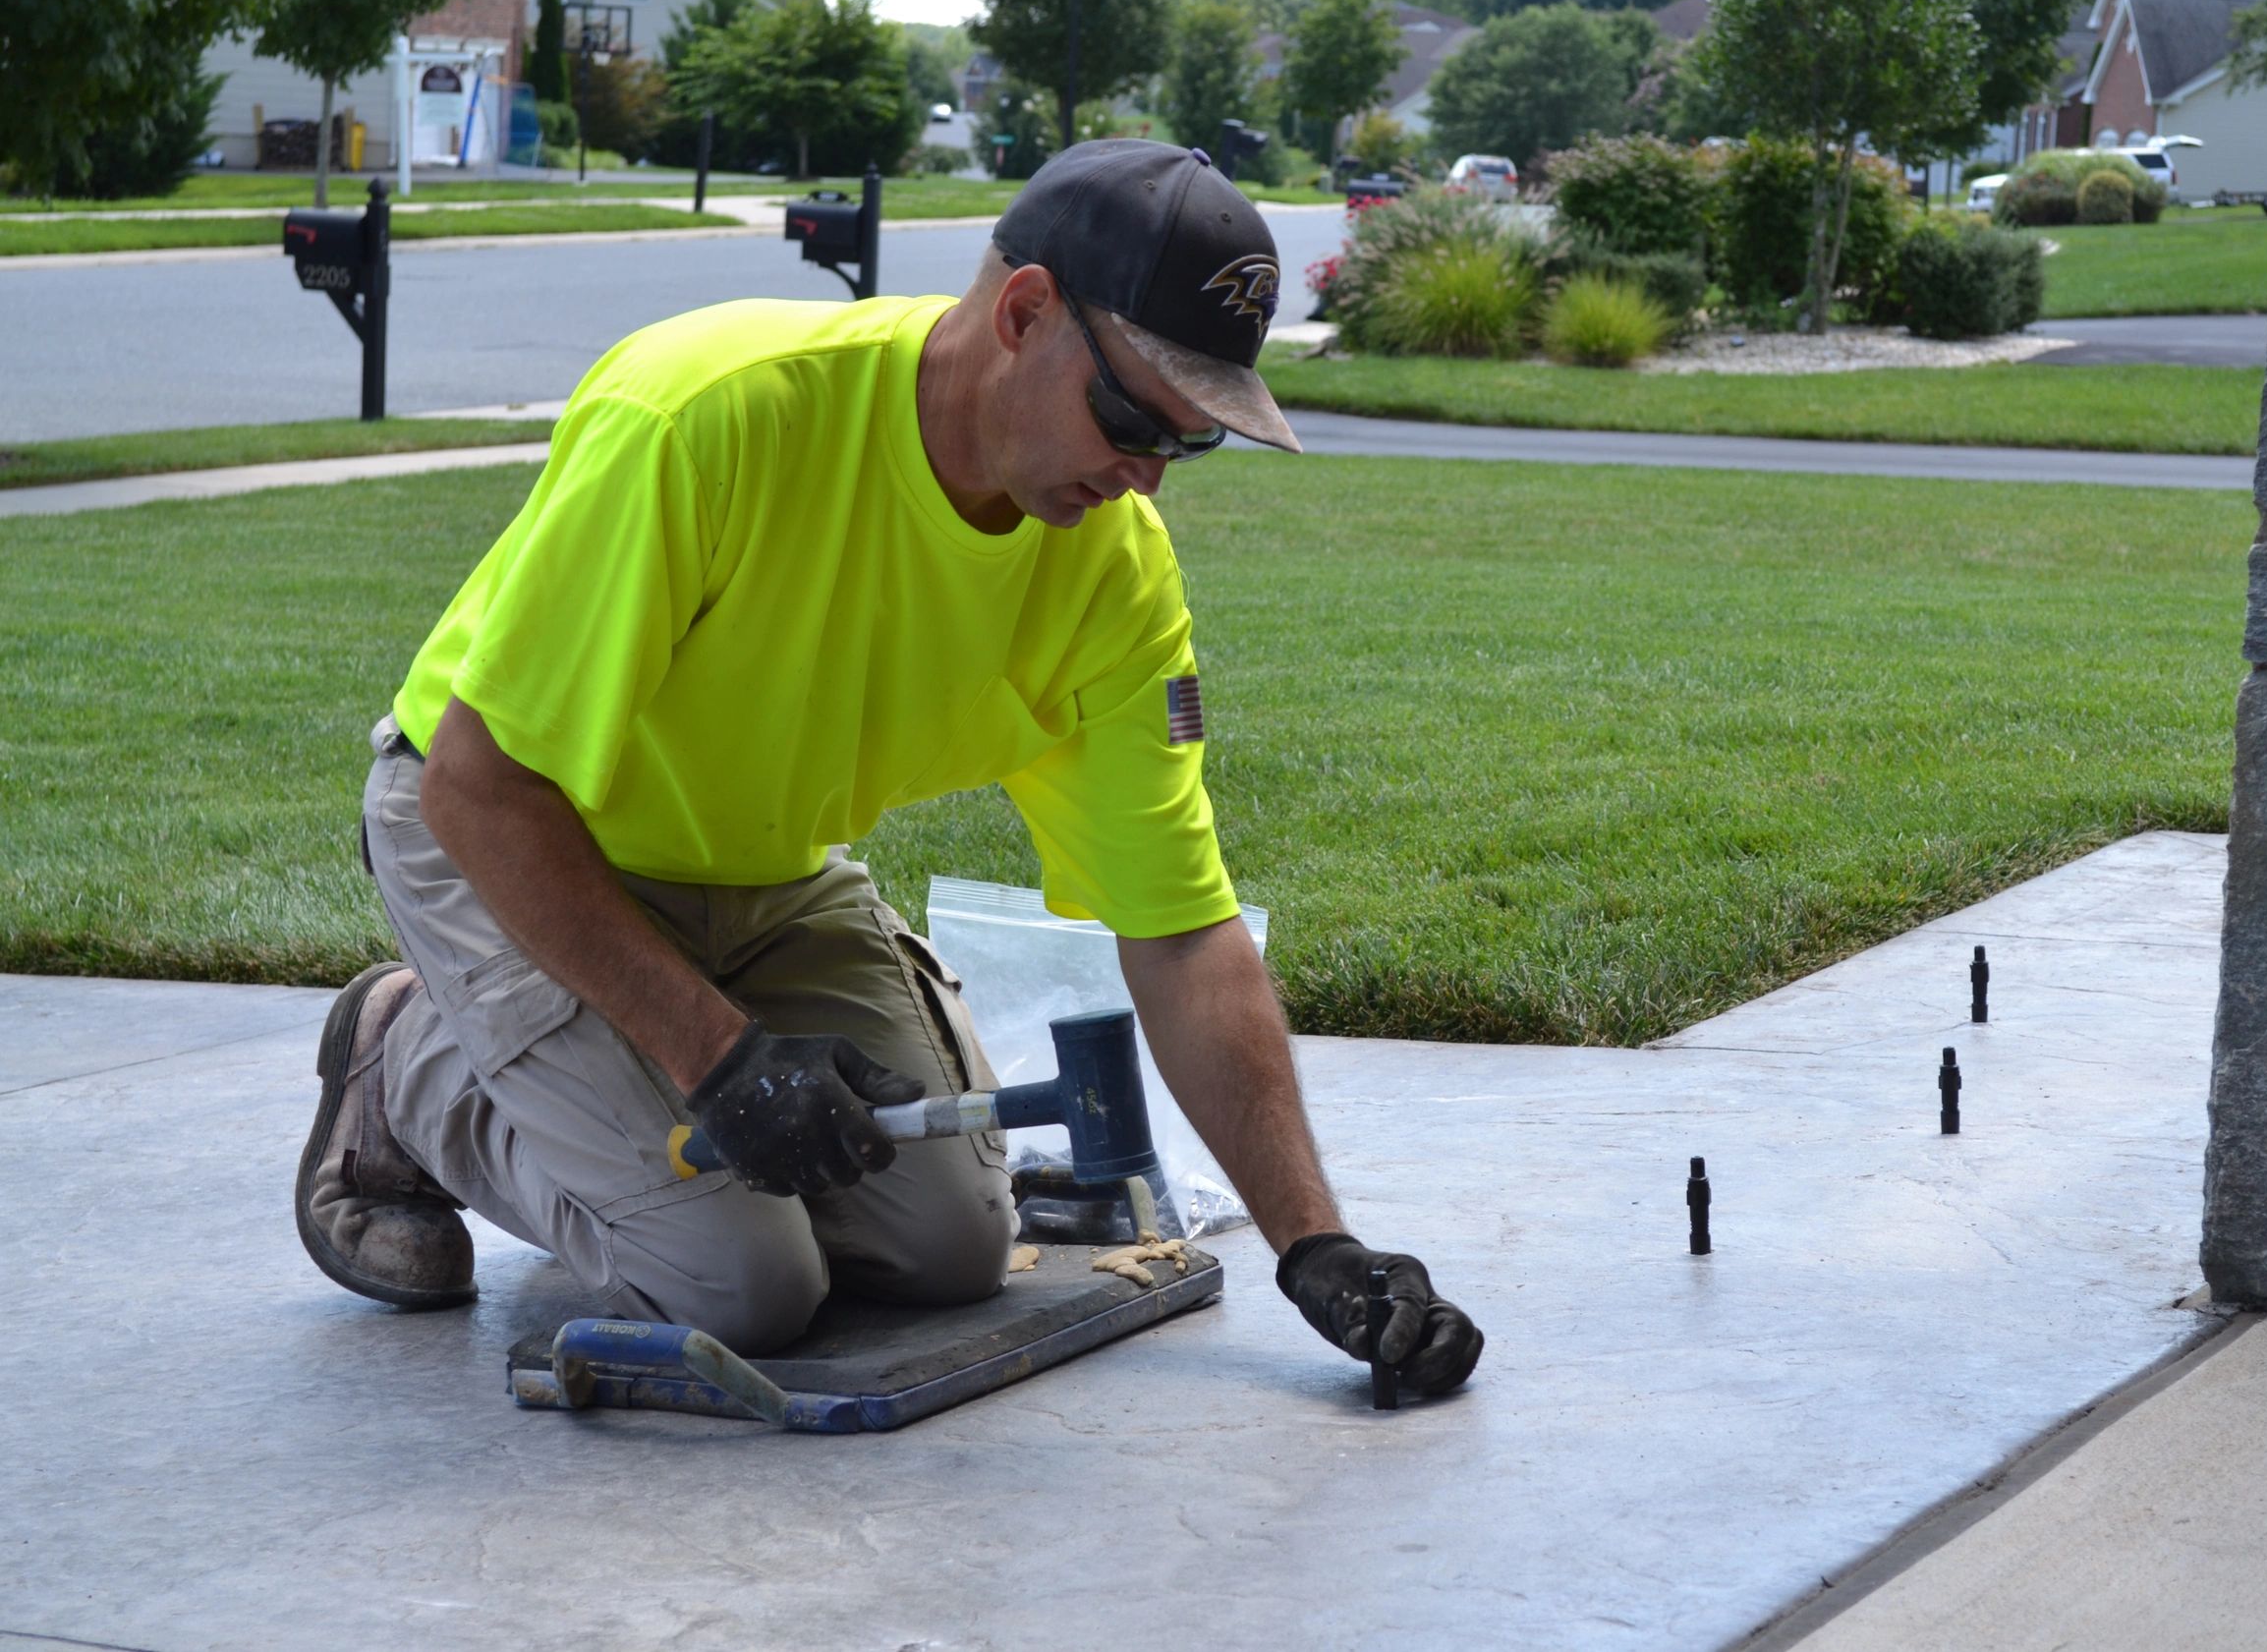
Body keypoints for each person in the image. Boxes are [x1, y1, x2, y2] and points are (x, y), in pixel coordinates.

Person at [295, 140, 1483, 1396]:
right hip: (510, 835)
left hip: (762, 872)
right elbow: (478, 788)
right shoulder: (712, 414)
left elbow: (1182, 934)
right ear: (1024, 313)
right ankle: (402, 1069)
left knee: (950, 1249)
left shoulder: (1112, 575)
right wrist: (720, 1059)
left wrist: (1316, 1246)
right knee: (737, 1287)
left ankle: (618, 1099)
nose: (1144, 475)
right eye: (1134, 419)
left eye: (1190, 444)